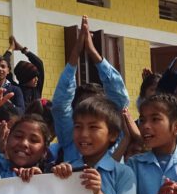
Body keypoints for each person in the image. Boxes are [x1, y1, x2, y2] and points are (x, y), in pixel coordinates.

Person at [53, 16, 130, 162]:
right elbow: (60, 105)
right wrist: (75, 53)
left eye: (94, 126)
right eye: (79, 124)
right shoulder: (70, 137)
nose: (84, 134)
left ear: (112, 132)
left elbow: (119, 98)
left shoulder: (115, 138)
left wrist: (93, 52)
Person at [0, 89, 54, 180]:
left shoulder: (49, 177)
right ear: (8, 138)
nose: (23, 143)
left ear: (44, 151)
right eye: (18, 136)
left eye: (33, 140)